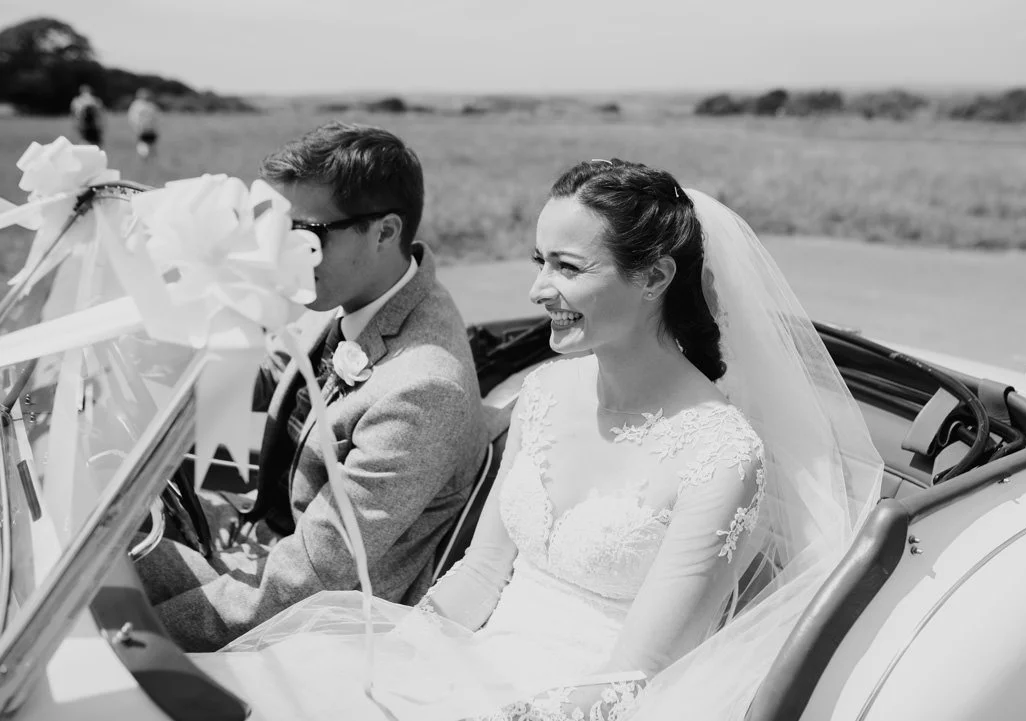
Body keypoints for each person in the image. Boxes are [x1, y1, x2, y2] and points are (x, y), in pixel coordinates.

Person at [211, 160, 884, 720]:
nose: (538, 288)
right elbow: (481, 572)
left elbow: (636, 673)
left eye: (566, 267)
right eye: (539, 262)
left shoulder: (721, 455)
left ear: (654, 277)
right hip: (469, 668)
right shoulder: (544, 391)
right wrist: (399, 649)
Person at [136, 122, 489, 652]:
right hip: (262, 544)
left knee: (98, 565)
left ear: (385, 232)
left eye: (302, 234)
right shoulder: (348, 293)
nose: (280, 253)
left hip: (318, 622)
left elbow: (311, 580)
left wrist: (145, 634)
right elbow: (279, 379)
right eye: (272, 230)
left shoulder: (422, 389)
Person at [127, 88, 160, 159]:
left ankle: (151, 162)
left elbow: (156, 118)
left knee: (152, 147)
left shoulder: (151, 105)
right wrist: (137, 127)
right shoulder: (136, 105)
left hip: (151, 130)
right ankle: (144, 160)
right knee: (143, 148)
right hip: (142, 130)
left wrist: (155, 128)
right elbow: (133, 118)